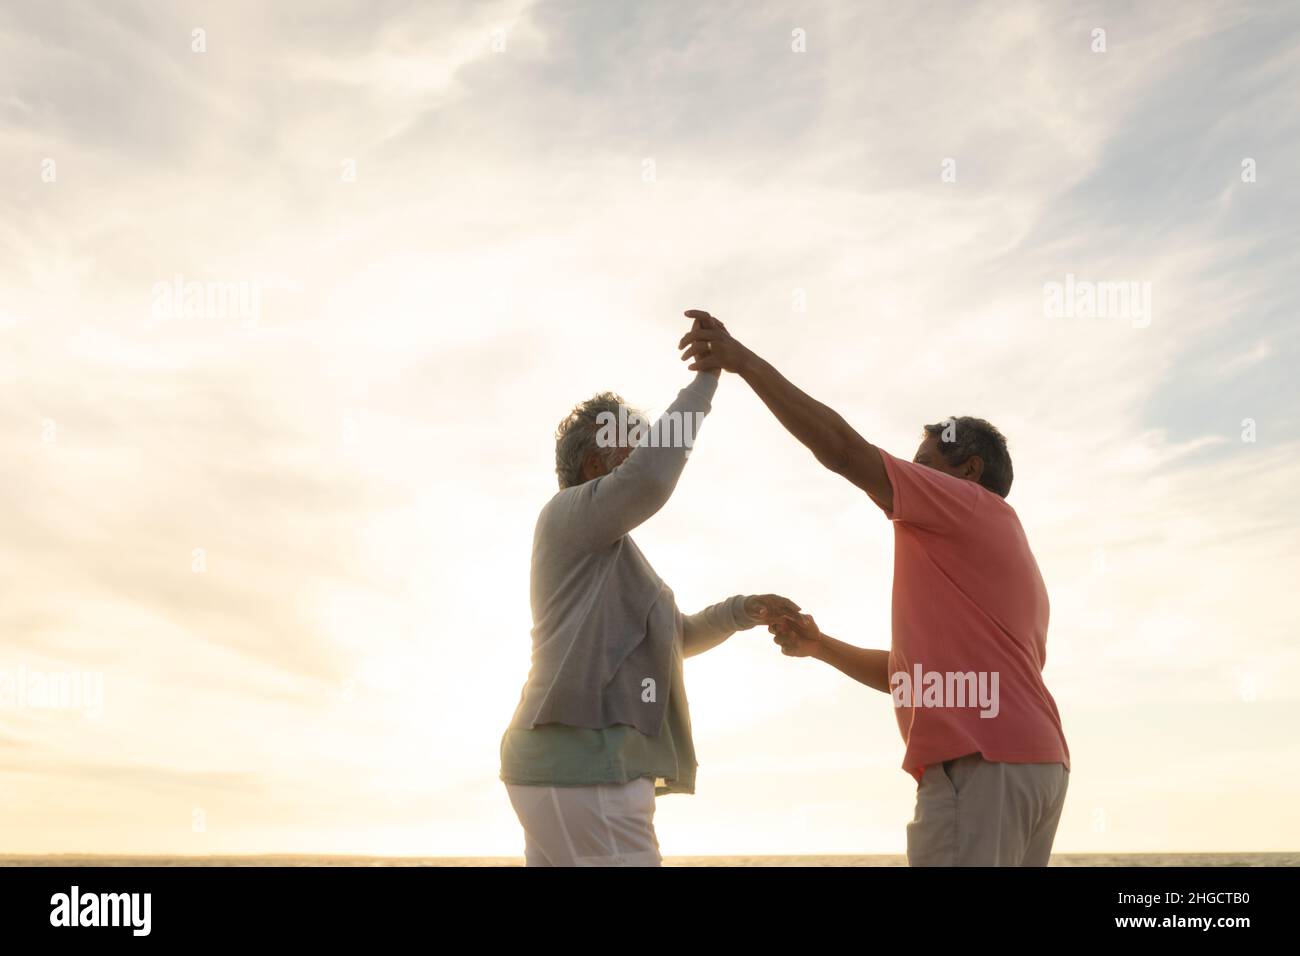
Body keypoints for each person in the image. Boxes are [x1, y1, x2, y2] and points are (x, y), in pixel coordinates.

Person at [678, 310, 1070, 866]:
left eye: (925, 466)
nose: (906, 479)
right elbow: (919, 682)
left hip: (981, 763)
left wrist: (742, 362)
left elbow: (842, 451)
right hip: (1035, 765)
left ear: (969, 472)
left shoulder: (966, 506)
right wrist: (821, 647)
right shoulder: (1003, 550)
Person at [500, 360, 798, 866]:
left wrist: (741, 611)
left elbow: (673, 639)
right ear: (596, 465)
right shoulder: (569, 515)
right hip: (581, 767)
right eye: (633, 447)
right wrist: (706, 381)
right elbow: (651, 481)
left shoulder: (608, 549)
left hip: (579, 771)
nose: (646, 454)